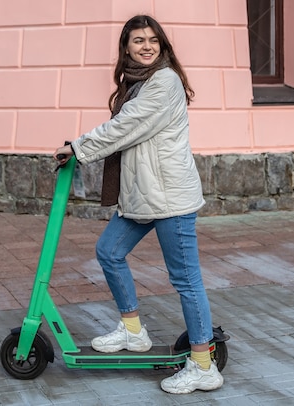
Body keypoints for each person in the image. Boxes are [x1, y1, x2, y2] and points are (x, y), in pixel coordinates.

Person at [53, 15, 223, 394]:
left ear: (162, 47)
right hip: (144, 196)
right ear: (126, 47)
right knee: (109, 251)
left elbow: (125, 127)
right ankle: (133, 331)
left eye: (153, 41)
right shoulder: (138, 83)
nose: (146, 46)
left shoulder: (164, 82)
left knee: (186, 280)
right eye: (138, 40)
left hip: (170, 199)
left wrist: (79, 149)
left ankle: (203, 365)